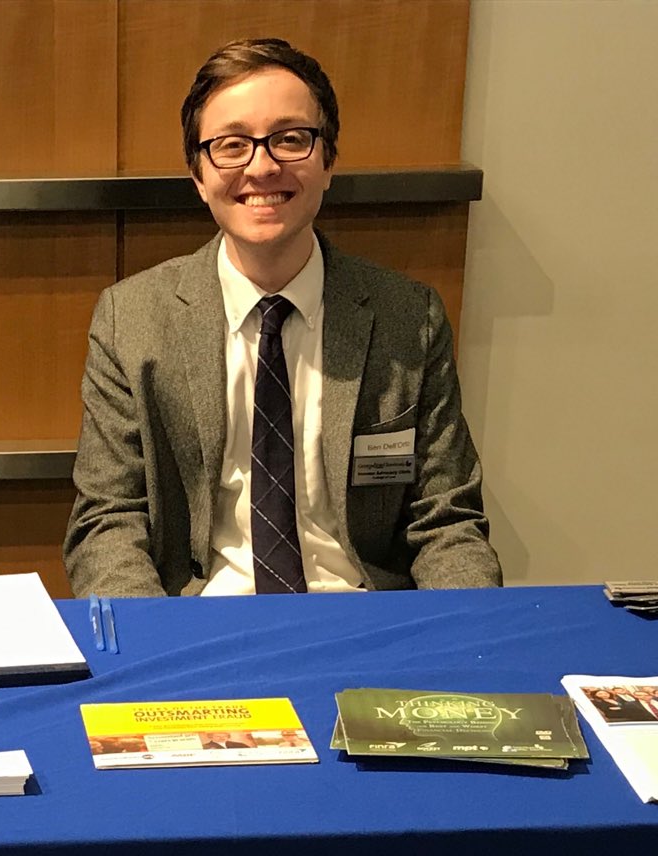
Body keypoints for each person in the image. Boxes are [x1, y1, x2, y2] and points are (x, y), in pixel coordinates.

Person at [64, 38, 500, 599]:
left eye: (291, 139)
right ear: (198, 174)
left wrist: (465, 646)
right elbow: (108, 520)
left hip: (365, 618)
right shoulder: (133, 319)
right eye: (231, 145)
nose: (262, 166)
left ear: (328, 162)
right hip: (201, 622)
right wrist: (160, 648)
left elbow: (447, 522)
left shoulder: (407, 317)